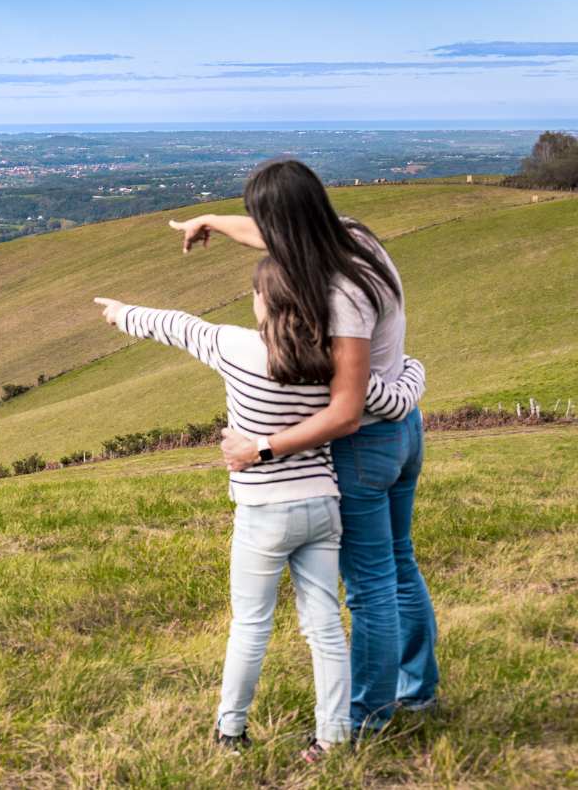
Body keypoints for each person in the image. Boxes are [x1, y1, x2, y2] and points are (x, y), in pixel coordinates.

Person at [93, 253, 425, 761]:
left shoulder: (235, 346)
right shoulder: (331, 359)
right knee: (326, 627)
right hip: (321, 505)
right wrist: (414, 371)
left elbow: (179, 327)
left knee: (251, 622)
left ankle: (231, 731)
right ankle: (334, 735)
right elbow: (386, 401)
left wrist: (122, 313)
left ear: (261, 302)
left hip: (264, 510)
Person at [169, 159, 439, 737]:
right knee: (399, 563)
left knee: (370, 587)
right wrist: (212, 220)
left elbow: (344, 413)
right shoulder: (356, 237)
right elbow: (273, 234)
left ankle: (365, 719)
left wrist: (260, 448)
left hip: (367, 443)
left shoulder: (339, 295)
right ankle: (417, 692)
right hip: (403, 431)